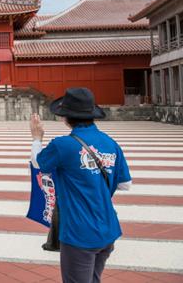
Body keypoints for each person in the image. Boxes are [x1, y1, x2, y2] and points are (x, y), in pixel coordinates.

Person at [29, 87, 132, 283]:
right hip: (108, 228)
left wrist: (36, 138)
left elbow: (38, 163)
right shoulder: (110, 143)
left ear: (65, 117)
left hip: (79, 233)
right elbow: (125, 184)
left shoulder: (62, 145)